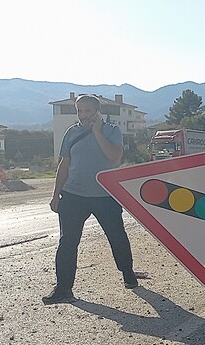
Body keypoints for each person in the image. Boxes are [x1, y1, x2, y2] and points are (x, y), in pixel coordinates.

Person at [43, 94, 138, 304]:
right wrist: (56, 194)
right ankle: (63, 288)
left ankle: (128, 273)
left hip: (105, 195)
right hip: (73, 195)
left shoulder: (112, 131)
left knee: (117, 236)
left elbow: (114, 157)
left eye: (88, 111)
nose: (83, 115)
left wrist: (96, 132)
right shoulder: (71, 133)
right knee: (67, 242)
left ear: (97, 111)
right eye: (80, 111)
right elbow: (64, 165)